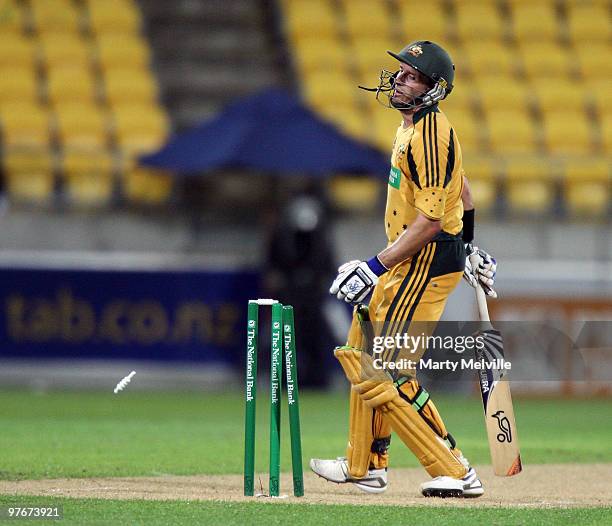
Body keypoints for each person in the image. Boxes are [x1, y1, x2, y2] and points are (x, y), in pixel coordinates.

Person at [309, 41, 497, 498]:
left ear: (434, 91)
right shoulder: (410, 128)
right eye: (401, 72)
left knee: (389, 369)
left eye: (413, 77)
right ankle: (365, 465)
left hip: (426, 259)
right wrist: (471, 245)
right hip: (417, 255)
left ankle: (453, 467)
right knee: (362, 346)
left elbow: (432, 220)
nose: (399, 79)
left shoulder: (431, 135)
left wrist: (376, 266)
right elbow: (463, 191)